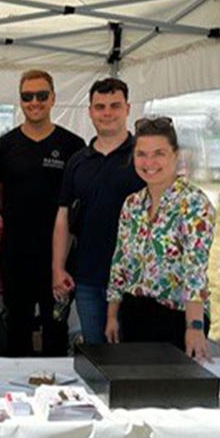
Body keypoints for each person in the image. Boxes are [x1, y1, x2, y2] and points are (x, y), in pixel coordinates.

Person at [0, 70, 84, 357]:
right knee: (17, 326)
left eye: (42, 95)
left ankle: (57, 395)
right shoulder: (3, 147)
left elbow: (77, 202)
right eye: (27, 96)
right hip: (16, 253)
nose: (35, 102)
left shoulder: (73, 146)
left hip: (59, 256)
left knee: (56, 326)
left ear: (53, 98)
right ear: (20, 101)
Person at [105, 116, 216, 359]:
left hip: (177, 320)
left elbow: (195, 272)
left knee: (173, 395)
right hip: (134, 315)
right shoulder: (132, 204)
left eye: (159, 153)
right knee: (134, 393)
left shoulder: (194, 204)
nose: (149, 162)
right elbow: (120, 263)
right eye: (142, 154)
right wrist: (113, 316)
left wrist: (194, 327)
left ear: (175, 155)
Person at [52, 78, 144, 344]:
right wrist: (58, 268)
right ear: (90, 111)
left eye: (114, 105)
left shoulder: (144, 158)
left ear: (127, 108)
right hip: (89, 277)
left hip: (135, 282)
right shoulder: (78, 161)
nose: (107, 113)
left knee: (133, 357)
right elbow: (64, 217)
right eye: (100, 106)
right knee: (97, 354)